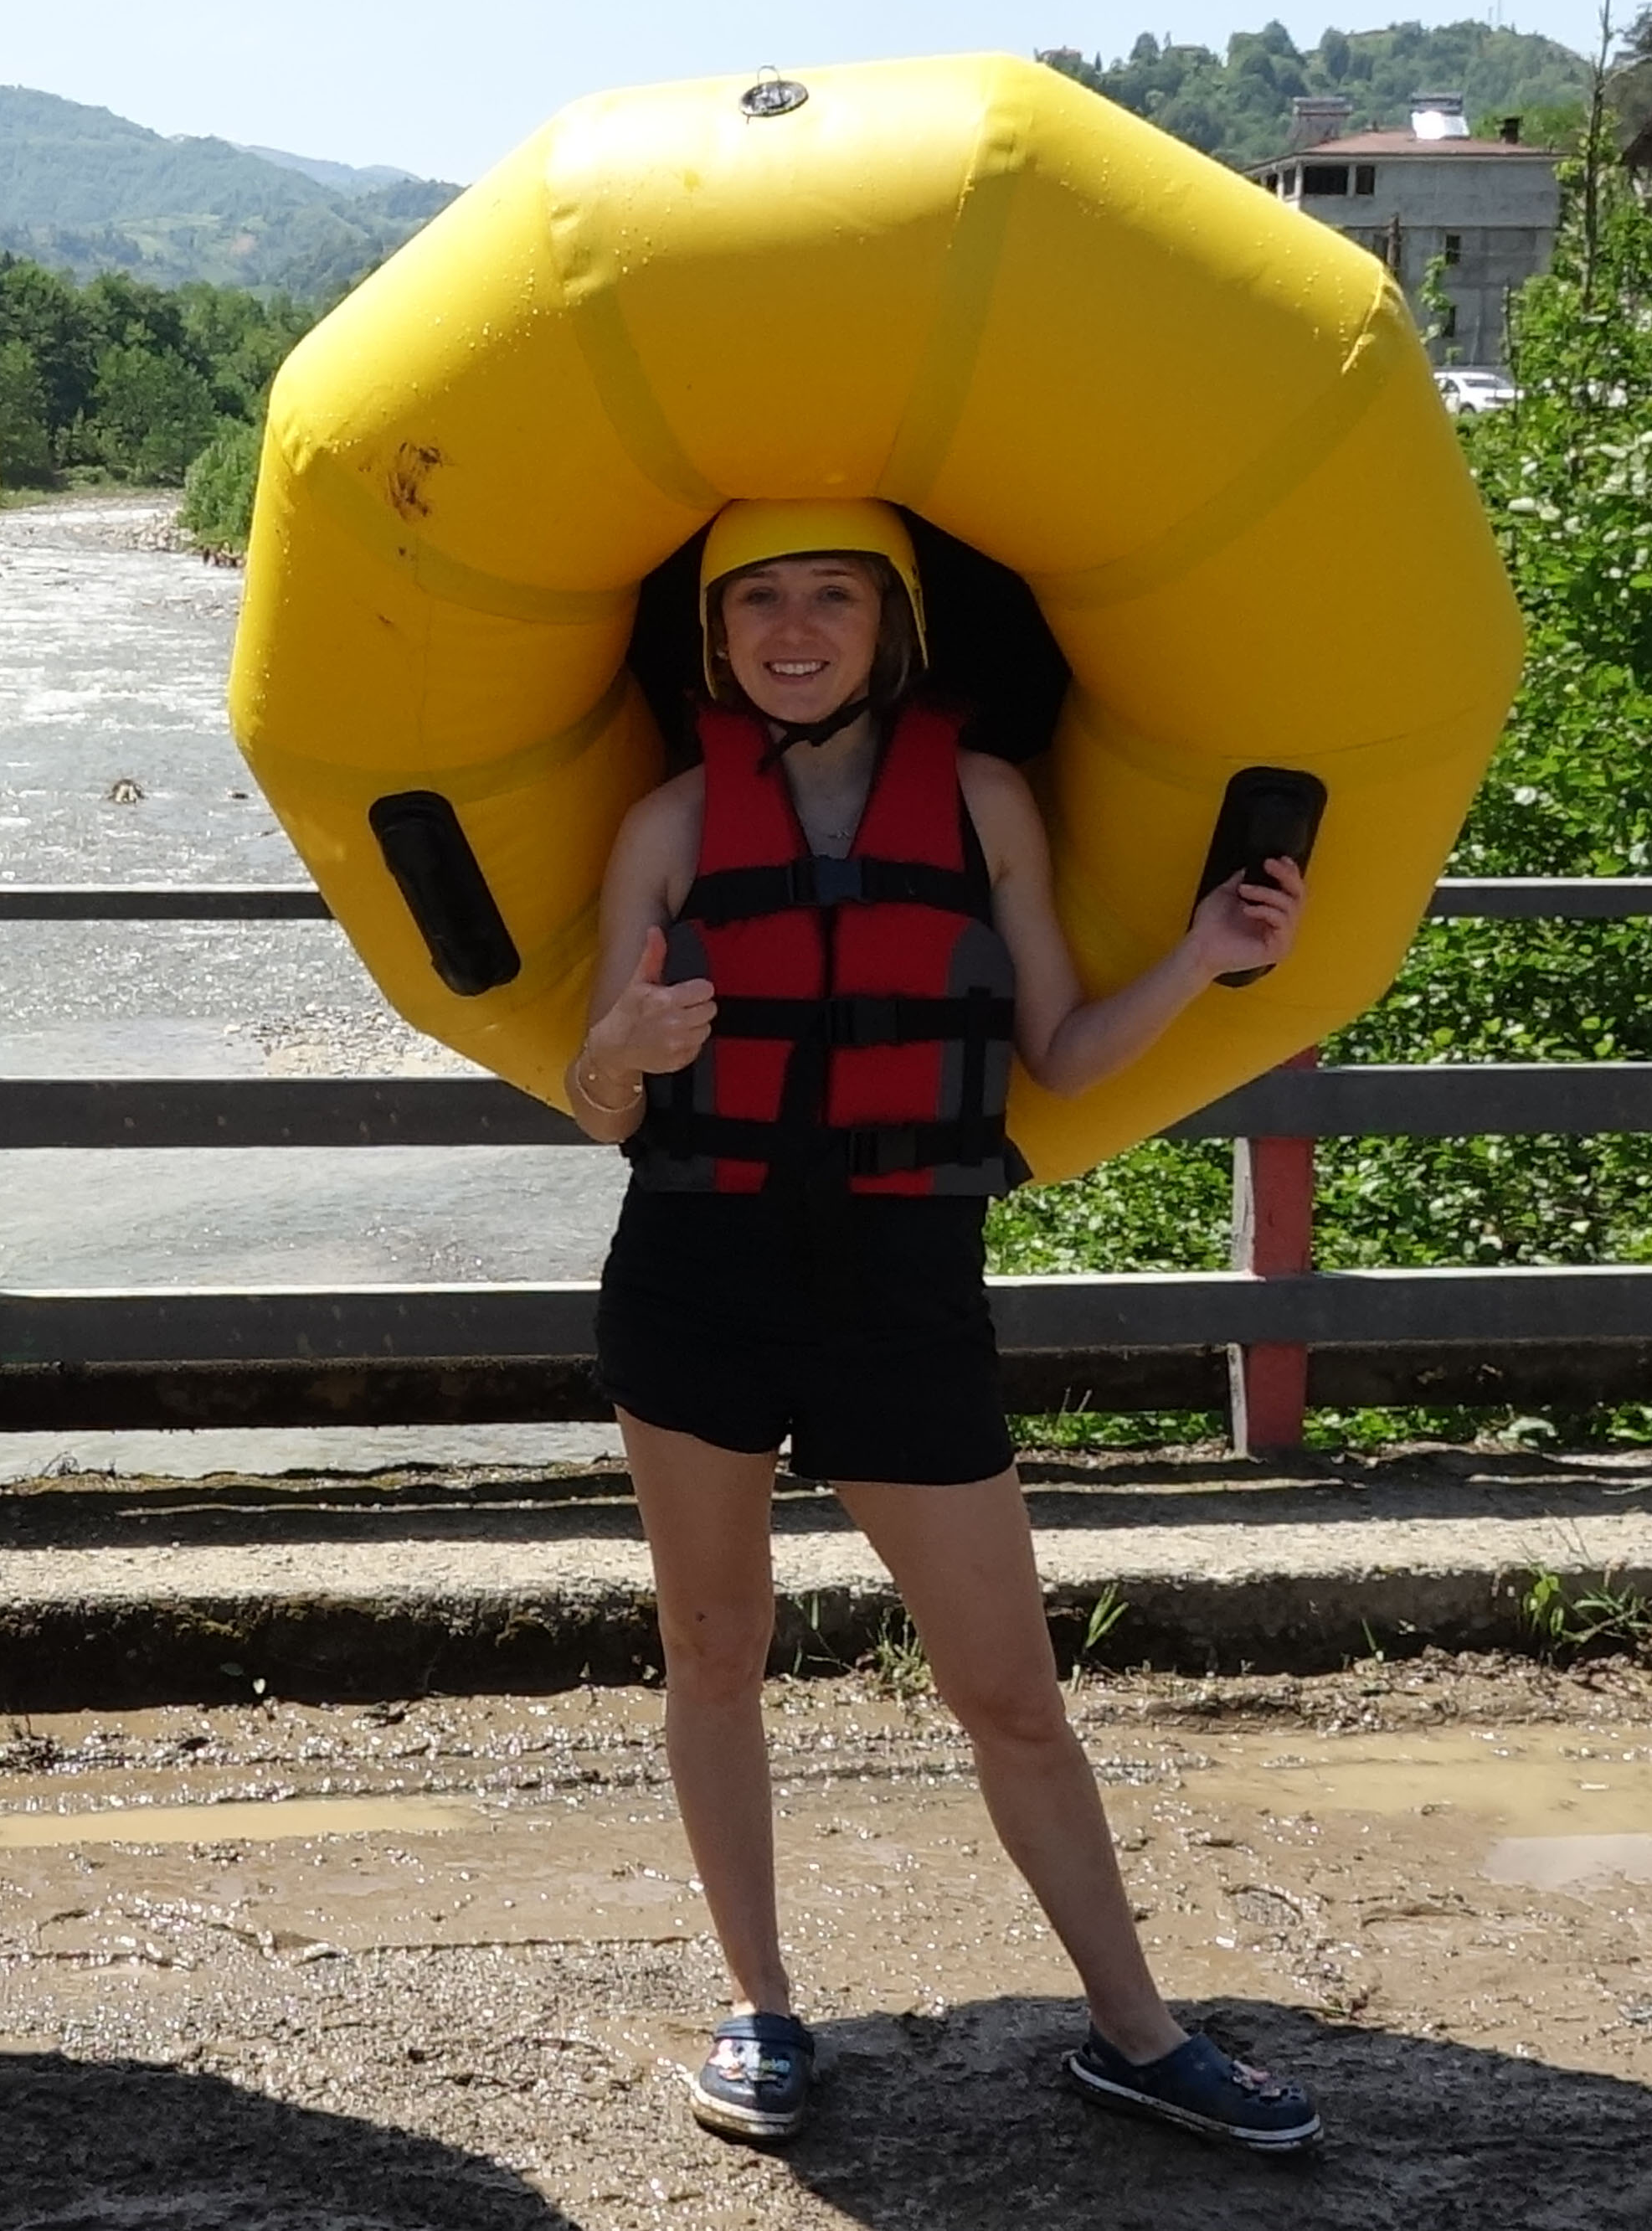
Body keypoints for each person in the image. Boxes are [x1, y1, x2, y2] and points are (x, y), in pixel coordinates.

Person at [565, 499, 1319, 2155]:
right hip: (694, 1278)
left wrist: (1201, 956)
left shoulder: (982, 802)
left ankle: (1135, 2033)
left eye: (831, 595)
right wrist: (621, 1046)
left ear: (889, 625)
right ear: (713, 636)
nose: (792, 628)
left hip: (901, 1291)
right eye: (757, 599)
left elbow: (1058, 1051)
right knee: (712, 1652)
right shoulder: (669, 820)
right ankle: (761, 2008)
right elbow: (592, 1100)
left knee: (1008, 1691)